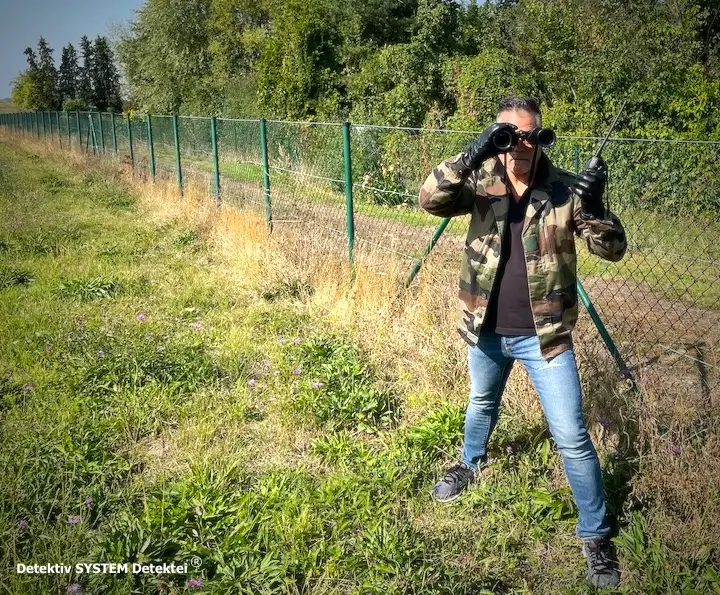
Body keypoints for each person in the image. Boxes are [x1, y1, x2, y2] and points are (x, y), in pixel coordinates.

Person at [418, 96, 627, 588]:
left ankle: (594, 534)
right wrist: (473, 153)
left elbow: (613, 250)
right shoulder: (480, 179)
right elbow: (428, 199)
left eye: (533, 135)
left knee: (572, 437)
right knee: (481, 403)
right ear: (498, 137)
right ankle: (470, 463)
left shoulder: (562, 191)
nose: (525, 146)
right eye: (512, 136)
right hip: (484, 329)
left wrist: (595, 207)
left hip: (546, 338)